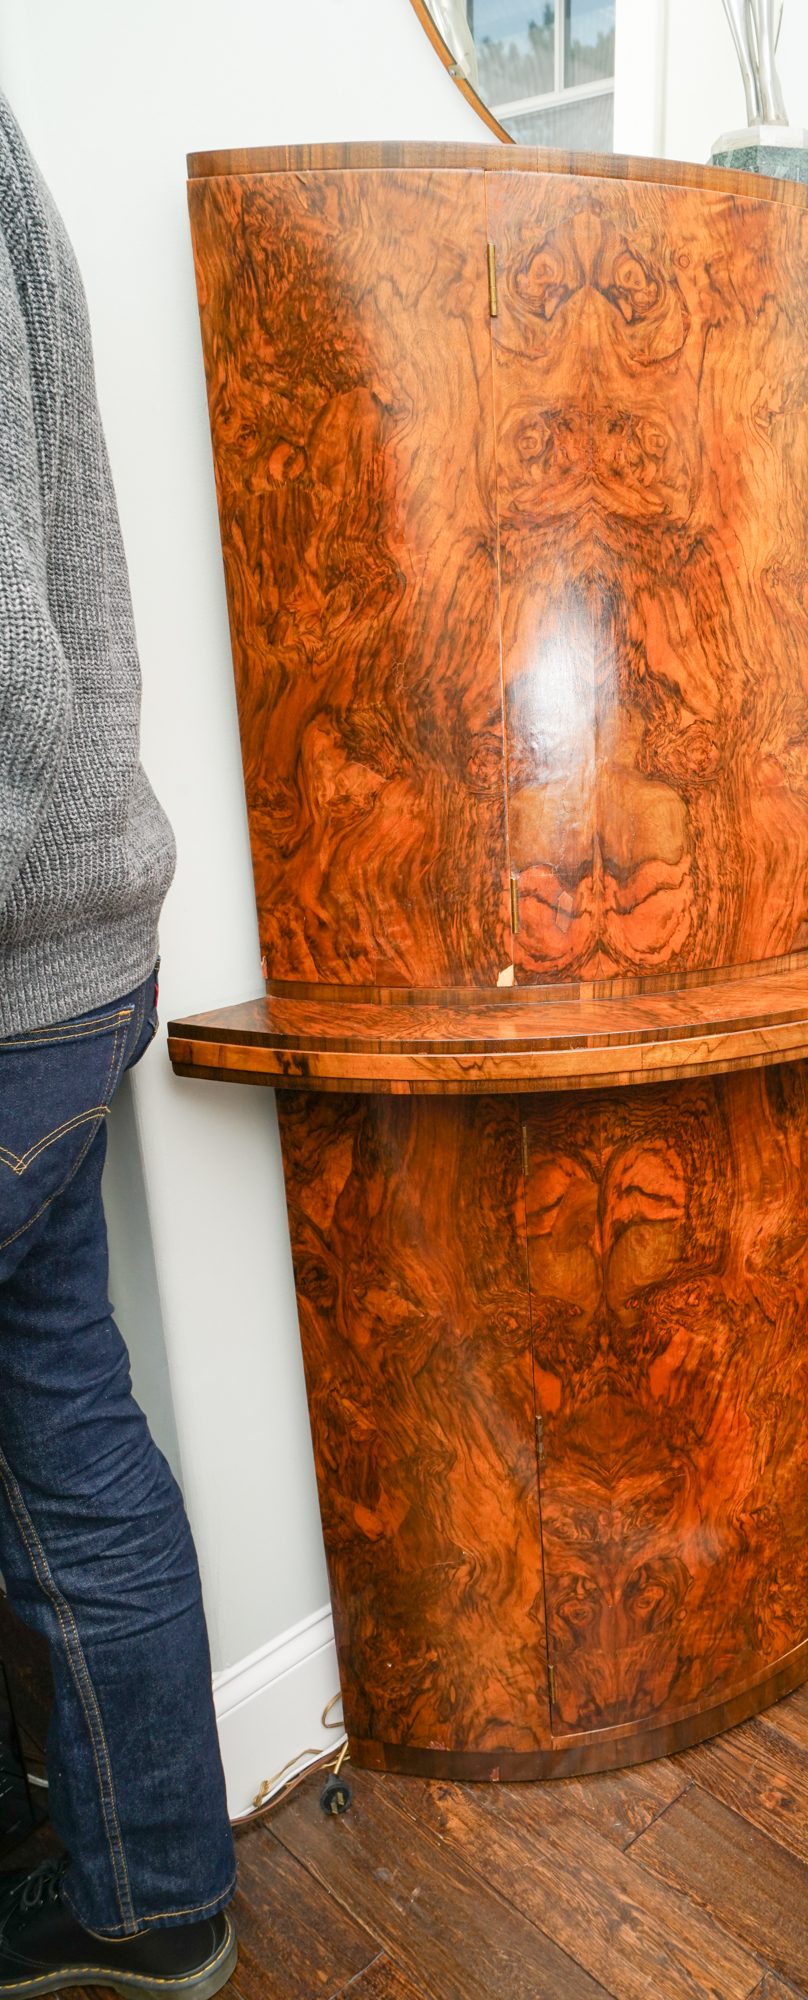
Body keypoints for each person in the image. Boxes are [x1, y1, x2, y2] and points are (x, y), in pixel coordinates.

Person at [0, 89, 236, 1996]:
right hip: (67, 966)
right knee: (68, 1432)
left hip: (14, 960)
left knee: (69, 1436)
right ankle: (155, 1905)